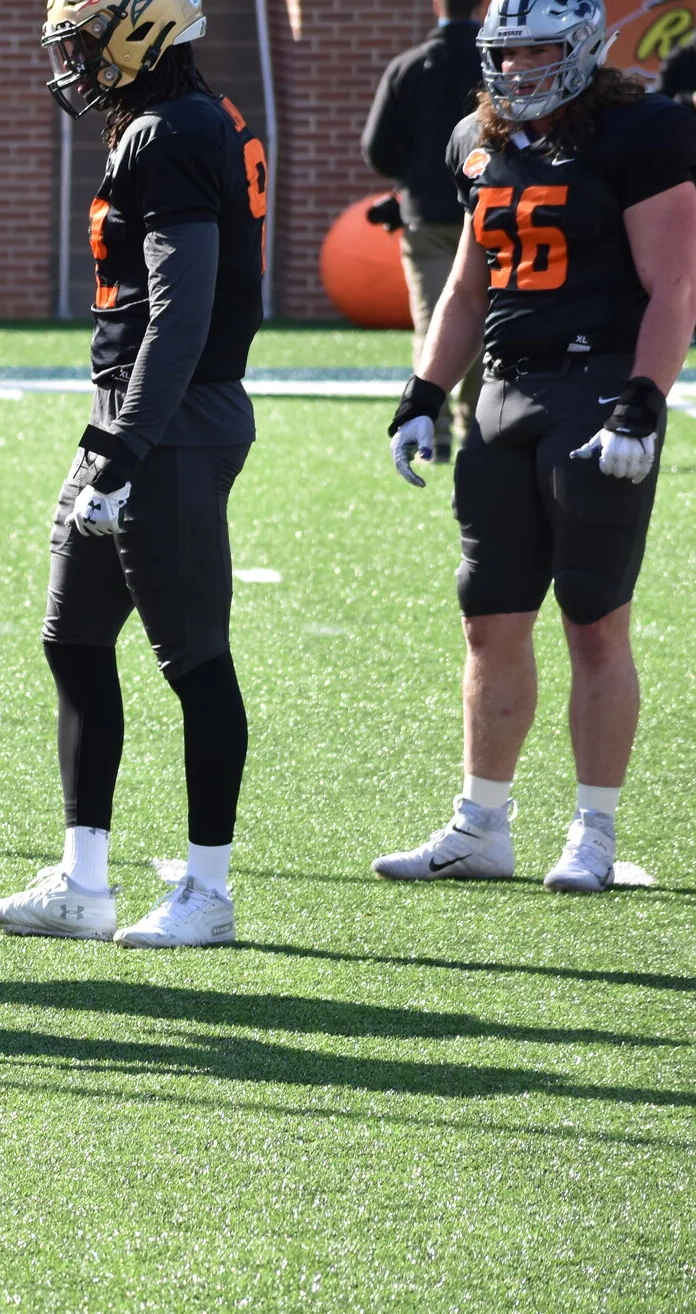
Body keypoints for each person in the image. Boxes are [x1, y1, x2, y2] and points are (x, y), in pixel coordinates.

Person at [375, 0, 696, 892]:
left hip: (597, 391)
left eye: (538, 51)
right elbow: (468, 287)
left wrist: (642, 403)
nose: (518, 70)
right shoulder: (476, 140)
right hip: (503, 393)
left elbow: (675, 284)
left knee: (592, 617)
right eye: (506, 54)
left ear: (585, 46)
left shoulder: (645, 131)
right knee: (488, 617)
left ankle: (594, 830)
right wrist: (423, 394)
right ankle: (481, 824)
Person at [0, 0, 265, 948]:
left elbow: (180, 314)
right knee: (73, 638)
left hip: (169, 421)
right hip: (132, 416)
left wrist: (127, 449)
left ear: (139, 31)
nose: (72, 56)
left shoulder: (173, 130)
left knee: (195, 660)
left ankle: (208, 892)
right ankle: (83, 881)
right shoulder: (171, 120)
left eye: (85, 37)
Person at [363, 0, 487, 451]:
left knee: (433, 323)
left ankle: (430, 424)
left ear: (438, 5)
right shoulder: (496, 65)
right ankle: (477, 429)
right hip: (489, 210)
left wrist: (413, 178)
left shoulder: (408, 66)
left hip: (427, 216)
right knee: (485, 324)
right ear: (483, 6)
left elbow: (376, 148)